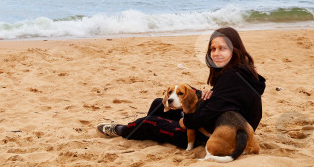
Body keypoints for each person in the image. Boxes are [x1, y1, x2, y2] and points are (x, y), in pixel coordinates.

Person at [96, 27, 266, 149]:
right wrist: (209, 94)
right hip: (227, 124)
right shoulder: (241, 71)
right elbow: (224, 102)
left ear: (234, 50)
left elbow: (202, 117)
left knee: (148, 122)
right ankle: (152, 132)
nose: (216, 53)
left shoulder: (231, 77)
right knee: (159, 103)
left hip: (221, 135)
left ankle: (122, 130)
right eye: (213, 49)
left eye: (222, 48)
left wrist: (184, 122)